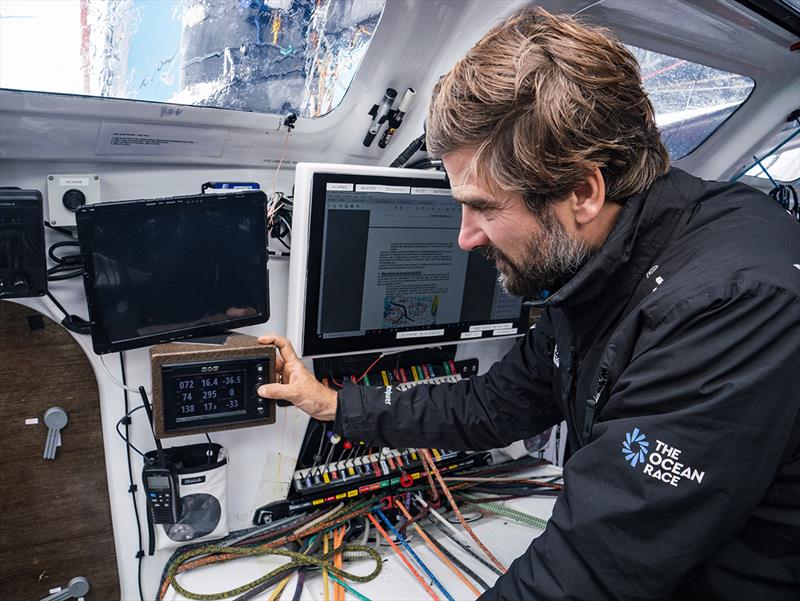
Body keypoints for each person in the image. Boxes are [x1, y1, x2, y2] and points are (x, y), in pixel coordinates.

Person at [257, 7, 800, 600]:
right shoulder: (605, 260)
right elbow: (496, 403)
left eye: (485, 208)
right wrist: (335, 404)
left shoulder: (730, 305)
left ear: (582, 192)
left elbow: (591, 573)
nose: (465, 236)